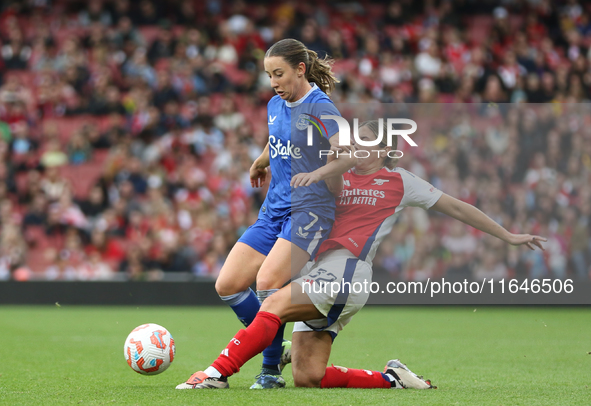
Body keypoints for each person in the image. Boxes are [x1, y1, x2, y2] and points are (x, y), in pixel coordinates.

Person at [176, 120, 546, 390]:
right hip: (319, 275)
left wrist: (508, 235)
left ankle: (215, 375)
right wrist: (266, 160)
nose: (359, 148)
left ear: (385, 149)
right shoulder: (335, 174)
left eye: (368, 142)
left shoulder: (400, 181)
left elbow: (458, 208)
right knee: (308, 376)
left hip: (347, 273)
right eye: (355, 142)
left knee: (271, 303)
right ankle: (393, 380)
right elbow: (288, 145)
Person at [206, 38, 355, 389]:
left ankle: (270, 372)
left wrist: (331, 165)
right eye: (269, 75)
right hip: (273, 210)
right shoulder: (276, 104)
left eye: (279, 74)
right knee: (227, 285)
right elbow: (278, 138)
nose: (273, 82)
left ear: (300, 70)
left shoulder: (322, 108)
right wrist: (261, 161)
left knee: (268, 284)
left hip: (309, 213)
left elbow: (346, 153)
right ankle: (278, 343)